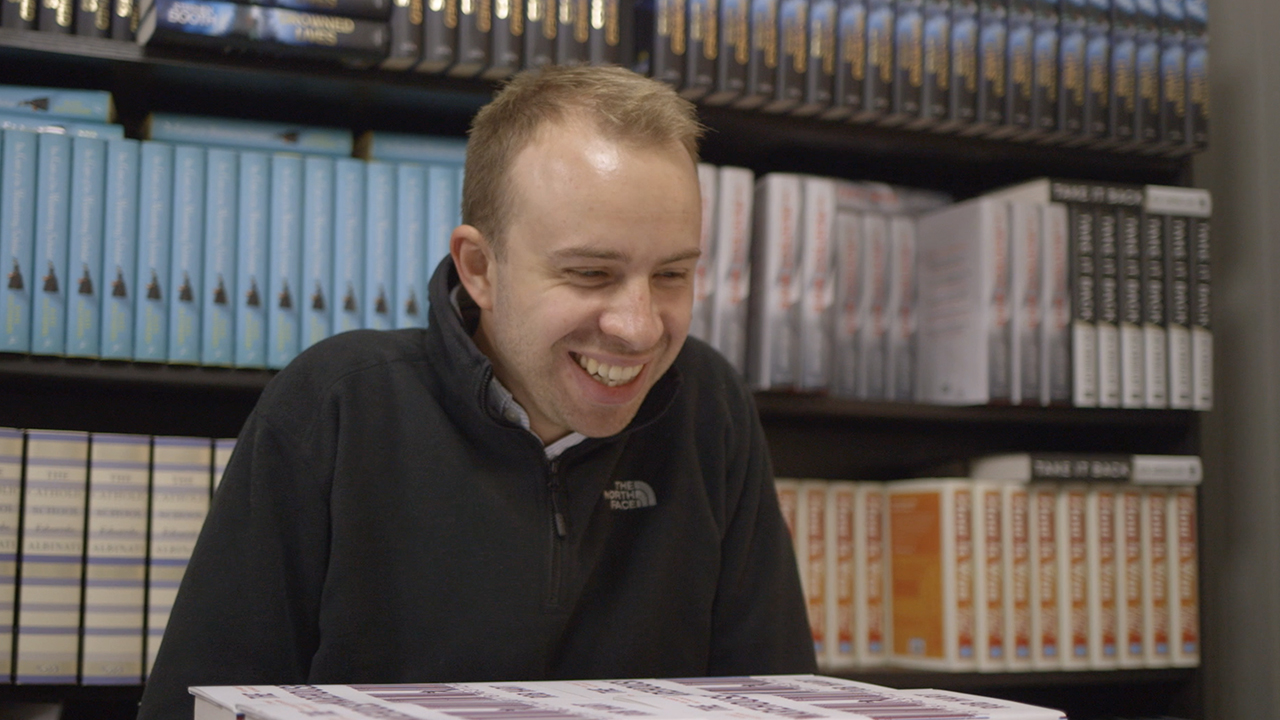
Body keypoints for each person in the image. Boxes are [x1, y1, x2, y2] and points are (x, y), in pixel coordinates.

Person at [136, 65, 815, 720]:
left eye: (671, 275)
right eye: (589, 273)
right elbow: (199, 704)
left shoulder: (710, 406)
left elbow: (781, 701)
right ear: (481, 268)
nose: (638, 329)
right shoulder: (337, 403)